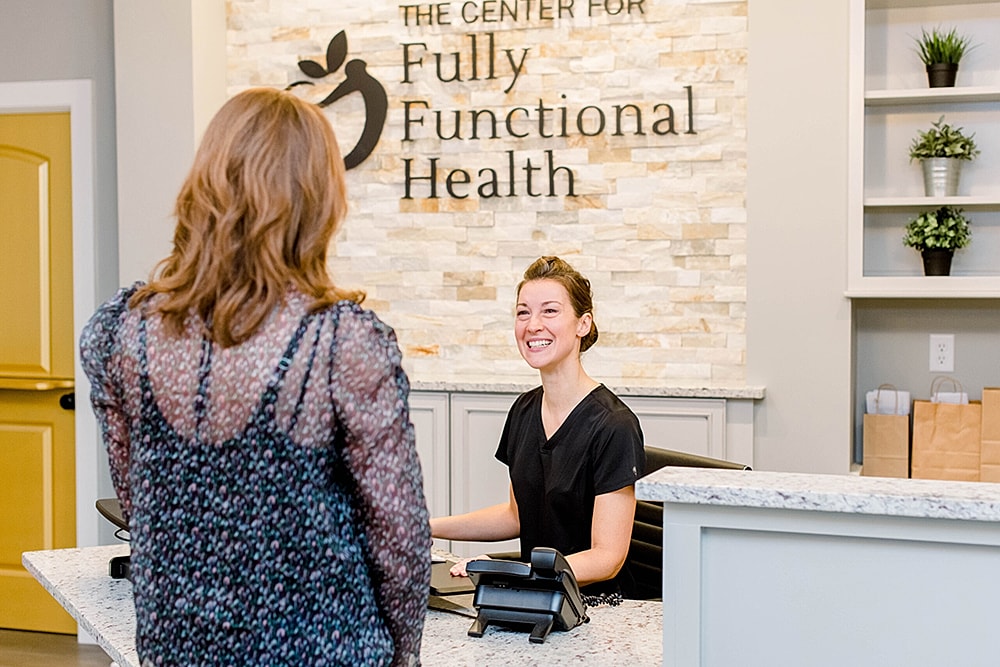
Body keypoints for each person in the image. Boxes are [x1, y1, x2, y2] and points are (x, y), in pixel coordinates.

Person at [80, 87, 430, 666]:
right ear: (318, 200)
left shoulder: (121, 334)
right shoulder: (343, 342)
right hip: (324, 650)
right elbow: (398, 537)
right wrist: (404, 653)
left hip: (180, 648)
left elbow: (139, 504)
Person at [430, 256, 645, 598]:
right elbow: (515, 516)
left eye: (550, 311)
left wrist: (516, 574)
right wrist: (425, 527)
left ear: (583, 323)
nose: (533, 325)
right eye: (523, 312)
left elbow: (607, 558)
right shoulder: (524, 410)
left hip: (595, 606)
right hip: (534, 596)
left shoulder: (614, 425)